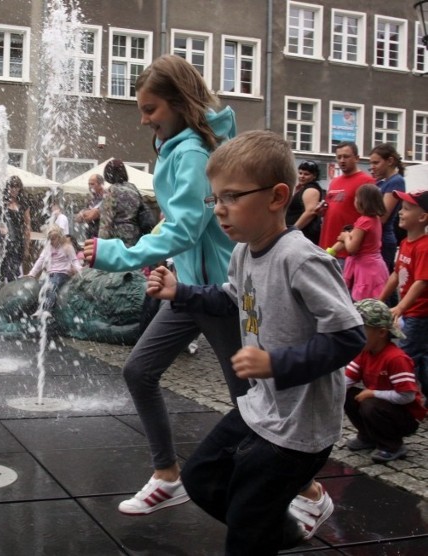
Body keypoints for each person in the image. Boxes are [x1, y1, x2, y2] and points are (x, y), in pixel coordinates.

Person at [146, 130, 365, 554]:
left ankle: (261, 531)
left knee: (246, 523)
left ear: (277, 197)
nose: (220, 211)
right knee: (202, 480)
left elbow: (349, 334)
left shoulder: (300, 259)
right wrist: (182, 291)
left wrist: (277, 363)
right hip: (262, 408)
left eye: (231, 197)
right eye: (216, 200)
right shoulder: (244, 252)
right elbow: (231, 297)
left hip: (301, 426)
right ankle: (281, 531)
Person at [83, 55, 247, 516]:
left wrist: (116, 252)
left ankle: (309, 492)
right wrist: (170, 268)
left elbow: (187, 227)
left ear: (178, 103)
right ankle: (167, 475)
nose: (144, 118)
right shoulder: (179, 145)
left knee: (251, 403)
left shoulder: (192, 150)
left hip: (215, 293)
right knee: (139, 370)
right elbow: (182, 228)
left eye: (151, 108)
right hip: (187, 288)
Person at [344, 298, 425, 463]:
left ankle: (392, 445)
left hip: (406, 417)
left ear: (381, 332)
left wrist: (373, 393)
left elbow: (407, 396)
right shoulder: (365, 352)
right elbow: (346, 380)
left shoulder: (395, 358)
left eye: (362, 329)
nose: (356, 333)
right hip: (384, 408)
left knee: (369, 403)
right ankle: (368, 436)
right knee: (347, 395)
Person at [379, 190, 428, 396]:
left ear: (423, 217)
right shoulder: (405, 243)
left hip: (418, 313)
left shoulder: (424, 247)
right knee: (419, 355)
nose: (400, 212)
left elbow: (421, 281)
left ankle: (405, 396)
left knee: (408, 354)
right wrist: (380, 299)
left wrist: (401, 306)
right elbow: (396, 275)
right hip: (409, 312)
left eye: (407, 209)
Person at [318, 142, 375, 264]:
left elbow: (370, 217)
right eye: (339, 157)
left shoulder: (367, 181)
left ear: (357, 158)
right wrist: (322, 211)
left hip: (345, 250)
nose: (342, 160)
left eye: (346, 156)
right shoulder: (334, 182)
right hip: (327, 245)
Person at [329, 184, 389, 300]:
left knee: (363, 304)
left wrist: (346, 237)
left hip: (365, 269)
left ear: (363, 201)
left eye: (356, 197)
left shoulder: (364, 222)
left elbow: (352, 248)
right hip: (375, 266)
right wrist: (331, 251)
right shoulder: (375, 219)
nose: (354, 200)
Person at [26, 224, 81, 317]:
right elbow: (40, 260)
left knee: (52, 285)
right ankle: (40, 309)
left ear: (59, 237)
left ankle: (47, 310)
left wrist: (81, 271)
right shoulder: (48, 248)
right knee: (42, 286)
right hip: (51, 274)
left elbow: (74, 260)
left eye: (53, 239)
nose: (51, 241)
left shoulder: (67, 247)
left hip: (62, 273)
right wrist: (31, 274)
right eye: (50, 239)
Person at [369, 143, 407, 272]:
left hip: (383, 239)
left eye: (376, 163)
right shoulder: (382, 182)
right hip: (378, 238)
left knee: (382, 284)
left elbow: (382, 216)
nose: (372, 167)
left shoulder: (396, 181)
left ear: (390, 161)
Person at [98, 158, 149, 247]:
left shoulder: (111, 191)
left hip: (118, 239)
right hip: (135, 236)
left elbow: (106, 222)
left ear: (109, 174)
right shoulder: (133, 188)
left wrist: (101, 245)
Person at [0, 176, 32, 283]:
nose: (14, 189)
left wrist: (27, 247)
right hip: (3, 242)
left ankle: (10, 296)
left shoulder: (23, 204)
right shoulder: (1, 202)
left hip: (18, 242)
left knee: (13, 271)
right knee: (0, 272)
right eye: (12, 186)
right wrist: (0, 226)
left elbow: (27, 226)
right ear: (8, 188)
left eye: (16, 186)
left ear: (20, 188)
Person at [285, 160, 323, 244]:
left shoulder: (311, 189)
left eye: (306, 174)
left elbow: (310, 212)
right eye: (300, 173)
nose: (302, 176)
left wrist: (293, 230)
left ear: (314, 176)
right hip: (298, 235)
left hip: (303, 236)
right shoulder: (303, 188)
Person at [75, 174, 104, 239]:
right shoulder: (91, 199)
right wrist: (82, 214)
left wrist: (84, 214)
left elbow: (91, 215)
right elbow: (78, 218)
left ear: (100, 185)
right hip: (90, 235)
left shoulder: (106, 197)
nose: (90, 186)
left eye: (92, 184)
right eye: (89, 184)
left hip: (101, 237)